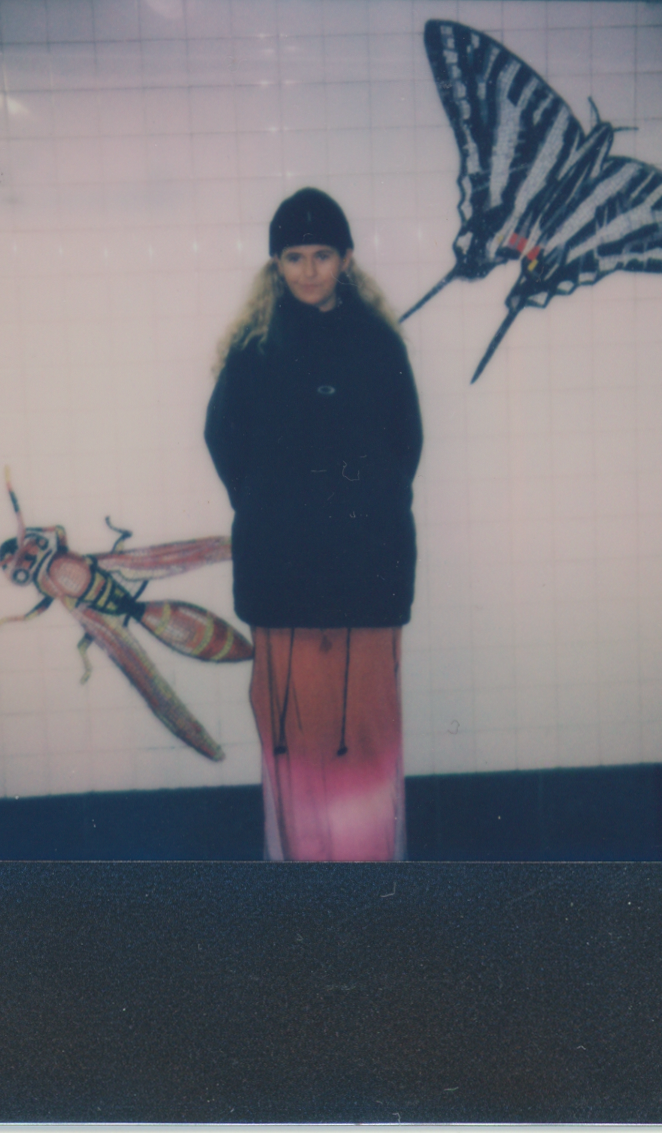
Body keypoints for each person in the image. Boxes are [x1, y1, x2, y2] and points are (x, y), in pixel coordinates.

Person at [205, 188, 422, 862]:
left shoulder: (378, 345)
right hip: (282, 568)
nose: (308, 270)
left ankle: (372, 868)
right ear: (275, 264)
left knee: (364, 727)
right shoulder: (252, 352)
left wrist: (363, 513)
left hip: (368, 566)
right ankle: (302, 874)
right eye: (293, 257)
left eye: (322, 255)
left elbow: (405, 445)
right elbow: (224, 442)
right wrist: (272, 508)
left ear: (346, 259)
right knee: (293, 729)